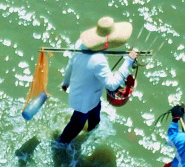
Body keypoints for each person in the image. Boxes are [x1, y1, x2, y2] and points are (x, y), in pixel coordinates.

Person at [58, 17, 139, 145]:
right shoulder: (99, 60)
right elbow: (112, 85)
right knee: (74, 128)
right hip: (84, 104)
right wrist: (128, 61)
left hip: (90, 97)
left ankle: (90, 134)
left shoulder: (80, 44)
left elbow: (70, 64)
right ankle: (60, 145)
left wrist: (65, 82)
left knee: (95, 120)